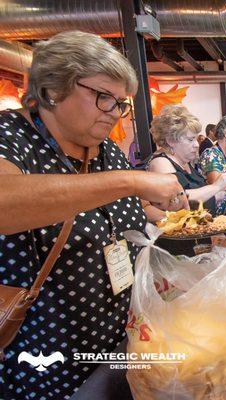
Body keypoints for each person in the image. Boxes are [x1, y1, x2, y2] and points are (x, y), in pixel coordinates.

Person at [0, 31, 187, 399]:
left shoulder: (104, 152)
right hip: (47, 361)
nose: (116, 113)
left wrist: (156, 205)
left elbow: (118, 216)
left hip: (117, 344)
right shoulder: (11, 135)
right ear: (53, 89)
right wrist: (132, 180)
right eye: (104, 97)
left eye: (121, 103)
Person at [146, 105, 226, 221]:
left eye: (196, 139)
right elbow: (177, 199)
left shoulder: (185, 162)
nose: (197, 145)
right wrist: (216, 187)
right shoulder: (160, 163)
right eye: (190, 139)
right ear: (171, 140)